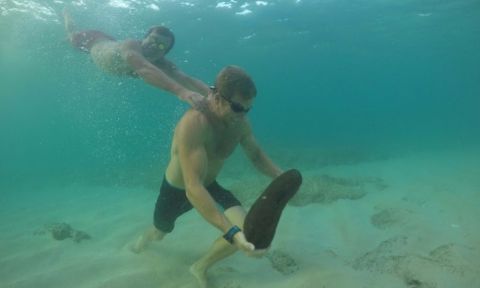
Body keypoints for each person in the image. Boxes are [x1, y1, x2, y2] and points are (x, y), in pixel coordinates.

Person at [132, 66, 284, 287]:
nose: (242, 115)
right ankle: (142, 242)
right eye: (237, 108)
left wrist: (280, 176)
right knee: (160, 231)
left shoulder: (239, 122)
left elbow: (256, 155)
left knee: (247, 233)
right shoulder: (194, 124)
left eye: (247, 110)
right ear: (217, 97)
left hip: (210, 186)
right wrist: (229, 230)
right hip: (177, 190)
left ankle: (199, 267)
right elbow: (192, 188)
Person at [63, 9, 208, 106]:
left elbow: (186, 79)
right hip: (91, 40)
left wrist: (213, 94)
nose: (154, 46)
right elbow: (143, 68)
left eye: (161, 46)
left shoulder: (162, 63)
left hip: (107, 43)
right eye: (152, 40)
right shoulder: (130, 45)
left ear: (164, 54)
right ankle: (66, 11)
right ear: (143, 39)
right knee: (71, 34)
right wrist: (182, 92)